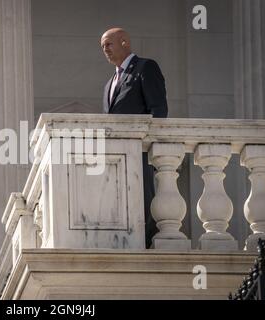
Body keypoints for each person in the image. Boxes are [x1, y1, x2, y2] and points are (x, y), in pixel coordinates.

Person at [100, 27, 168, 248]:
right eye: (102, 47)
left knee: (145, 198)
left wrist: (153, 148)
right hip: (116, 156)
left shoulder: (145, 67)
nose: (105, 49)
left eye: (108, 44)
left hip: (140, 151)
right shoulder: (109, 84)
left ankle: (148, 243)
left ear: (124, 42)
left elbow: (158, 110)